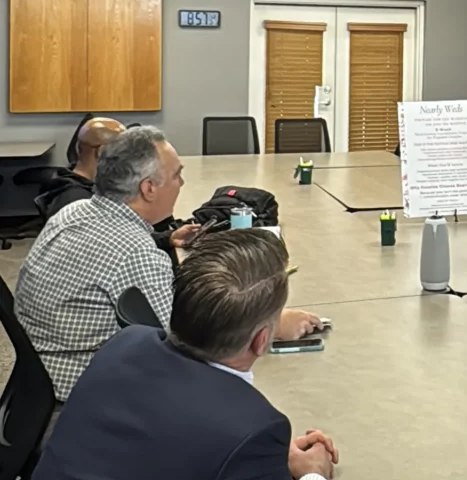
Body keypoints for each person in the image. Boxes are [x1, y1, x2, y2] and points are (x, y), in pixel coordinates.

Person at [18, 229, 342, 480]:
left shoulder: (126, 343)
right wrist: (315, 476)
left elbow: (179, 449)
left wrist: (262, 467)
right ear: (261, 341)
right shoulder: (249, 429)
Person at [15, 126, 323, 409]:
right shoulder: (136, 253)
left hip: (40, 379)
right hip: (85, 397)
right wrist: (264, 324)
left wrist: (163, 240)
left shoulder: (75, 213)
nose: (182, 183)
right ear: (149, 188)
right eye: (176, 175)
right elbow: (183, 350)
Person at [35, 117, 195, 264]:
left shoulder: (78, 197)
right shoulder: (74, 201)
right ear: (102, 152)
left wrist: (167, 237)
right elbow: (115, 246)